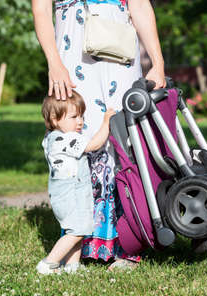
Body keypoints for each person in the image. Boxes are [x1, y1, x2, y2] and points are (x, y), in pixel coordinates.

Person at [32, 0, 166, 269]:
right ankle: (80, 241)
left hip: (121, 53)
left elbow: (139, 5)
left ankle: (130, 241)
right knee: (81, 133)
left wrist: (158, 62)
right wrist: (53, 62)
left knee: (126, 139)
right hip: (73, 51)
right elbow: (41, 9)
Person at [37, 91, 115, 274]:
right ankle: (49, 263)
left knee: (78, 229)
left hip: (67, 193)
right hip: (71, 194)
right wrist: (106, 123)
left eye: (81, 116)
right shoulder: (66, 138)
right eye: (74, 117)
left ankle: (72, 266)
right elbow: (93, 145)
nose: (80, 121)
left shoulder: (51, 137)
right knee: (76, 231)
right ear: (55, 119)